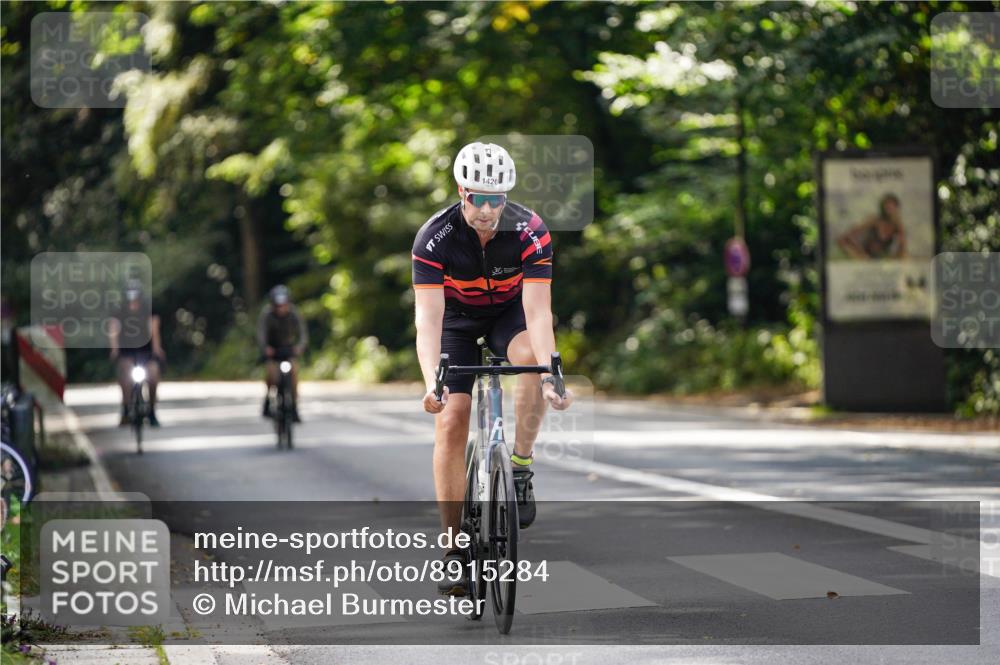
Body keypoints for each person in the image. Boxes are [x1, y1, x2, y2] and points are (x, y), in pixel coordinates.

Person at [412, 141, 573, 596]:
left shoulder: (530, 231)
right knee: (451, 421)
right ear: (460, 191)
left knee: (530, 360)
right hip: (456, 322)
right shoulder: (434, 238)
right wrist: (432, 384)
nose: (486, 210)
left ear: (507, 197)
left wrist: (550, 374)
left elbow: (539, 312)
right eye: (477, 198)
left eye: (496, 199)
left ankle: (519, 465)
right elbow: (428, 319)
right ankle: (453, 550)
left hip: (510, 315)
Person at [108, 280, 164, 427]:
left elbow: (154, 330)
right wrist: (114, 349)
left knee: (153, 375)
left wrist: (157, 349)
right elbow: (114, 329)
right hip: (126, 352)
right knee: (125, 375)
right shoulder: (119, 310)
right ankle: (126, 409)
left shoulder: (148, 308)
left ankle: (152, 411)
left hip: (146, 352)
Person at [257, 285, 308, 423]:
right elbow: (261, 334)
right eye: (278, 305)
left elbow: (302, 334)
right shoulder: (267, 315)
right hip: (273, 352)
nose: (281, 308)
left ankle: (295, 406)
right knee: (271, 375)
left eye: (283, 305)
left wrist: (299, 347)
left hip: (288, 350)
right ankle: (267, 400)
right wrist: (266, 348)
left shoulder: (294, 314)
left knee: (294, 374)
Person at [837, 193, 907, 260]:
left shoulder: (898, 225)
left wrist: (896, 258)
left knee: (904, 256)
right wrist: (860, 252)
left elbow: (902, 247)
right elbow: (848, 236)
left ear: (896, 208)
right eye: (887, 206)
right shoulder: (874, 220)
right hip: (865, 255)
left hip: (881, 257)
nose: (890, 208)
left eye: (892, 206)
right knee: (843, 241)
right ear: (883, 207)